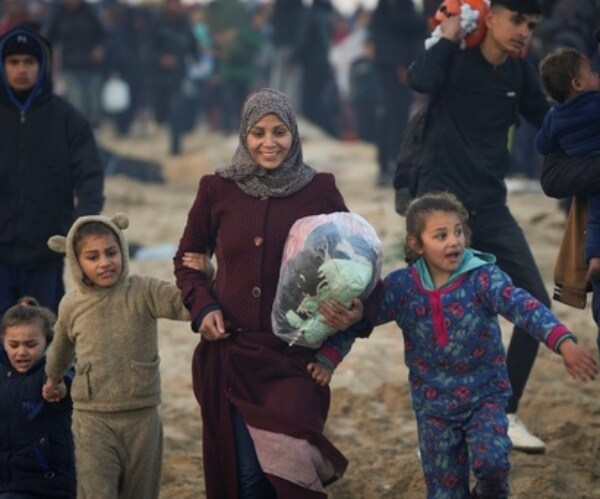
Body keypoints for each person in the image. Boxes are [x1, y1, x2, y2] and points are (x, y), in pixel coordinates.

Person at [324, 192, 598, 498]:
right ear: (416, 244)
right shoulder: (402, 287)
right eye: (440, 235)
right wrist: (328, 358)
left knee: (492, 464)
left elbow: (524, 307)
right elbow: (361, 320)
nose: (453, 242)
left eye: (457, 232)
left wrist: (563, 342)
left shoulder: (483, 278)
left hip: (485, 397)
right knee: (444, 491)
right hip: (433, 407)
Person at [174, 87, 363, 498]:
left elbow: (357, 260)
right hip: (232, 356)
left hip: (295, 359)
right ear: (244, 135)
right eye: (258, 132)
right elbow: (187, 263)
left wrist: (356, 310)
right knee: (247, 478)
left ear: (294, 133)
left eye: (279, 132)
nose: (269, 143)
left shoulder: (319, 190)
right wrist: (202, 306)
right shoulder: (216, 189)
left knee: (288, 473)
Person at [406, 0, 553, 452]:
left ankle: (504, 413)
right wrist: (449, 35)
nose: (524, 31)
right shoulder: (455, 58)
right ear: (490, 16)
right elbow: (420, 79)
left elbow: (549, 123)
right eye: (517, 20)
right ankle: (443, 420)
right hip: (440, 210)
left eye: (531, 25)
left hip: (490, 206)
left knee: (535, 305)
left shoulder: (519, 72)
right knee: (441, 317)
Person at [41, 213, 191, 499]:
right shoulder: (72, 304)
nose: (104, 262)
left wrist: (205, 277)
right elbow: (61, 347)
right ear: (77, 262)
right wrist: (53, 377)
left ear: (122, 249)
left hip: (142, 415)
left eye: (111, 252)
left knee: (140, 492)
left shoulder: (144, 290)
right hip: (92, 417)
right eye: (92, 257)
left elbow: (186, 305)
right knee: (96, 491)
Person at [0, 26, 104, 317]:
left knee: (44, 331)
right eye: (13, 62)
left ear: (42, 66)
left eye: (29, 62)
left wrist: (79, 225)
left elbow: (90, 177)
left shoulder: (67, 119)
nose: (21, 69)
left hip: (45, 252)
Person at [1, 298, 76, 498]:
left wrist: (60, 388)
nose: (21, 352)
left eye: (31, 344)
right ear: (3, 341)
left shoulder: (52, 371)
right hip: (7, 481)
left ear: (47, 342)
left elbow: (67, 380)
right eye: (13, 345)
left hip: (47, 484)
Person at [536, 48, 600, 281]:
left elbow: (541, 144)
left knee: (596, 215)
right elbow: (552, 178)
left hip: (584, 169)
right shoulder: (596, 103)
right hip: (590, 169)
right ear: (578, 83)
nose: (597, 73)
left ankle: (595, 257)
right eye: (592, 71)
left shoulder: (554, 116)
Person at [45, 0, 105, 128]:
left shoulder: (90, 12)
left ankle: (94, 130)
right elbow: (51, 37)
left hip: (92, 66)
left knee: (94, 105)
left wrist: (99, 48)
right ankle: (81, 133)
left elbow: (103, 35)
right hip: (70, 66)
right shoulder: (60, 14)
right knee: (77, 104)